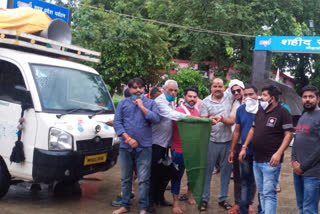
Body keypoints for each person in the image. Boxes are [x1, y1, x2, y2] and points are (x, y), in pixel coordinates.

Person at [239, 85, 293, 214]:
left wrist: (279, 154)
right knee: (262, 192)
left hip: (271, 161)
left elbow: (288, 135)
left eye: (264, 95)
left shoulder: (283, 112)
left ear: (272, 98)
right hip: (257, 159)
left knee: (269, 194)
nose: (260, 98)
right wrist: (244, 146)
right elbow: (253, 129)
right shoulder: (261, 111)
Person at [113, 78, 160, 214]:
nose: (138, 90)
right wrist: (128, 139)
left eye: (140, 87)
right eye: (134, 88)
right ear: (129, 89)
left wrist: (142, 107)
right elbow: (117, 123)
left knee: (144, 179)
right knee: (126, 178)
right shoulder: (122, 104)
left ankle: (143, 208)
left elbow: (156, 119)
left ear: (144, 89)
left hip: (144, 147)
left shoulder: (150, 103)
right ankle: (124, 205)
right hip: (126, 147)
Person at [149, 80, 186, 212]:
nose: (173, 93)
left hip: (166, 143)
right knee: (154, 173)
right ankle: (150, 202)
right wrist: (188, 117)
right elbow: (171, 114)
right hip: (156, 143)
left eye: (175, 90)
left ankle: (160, 198)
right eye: (170, 90)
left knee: (164, 173)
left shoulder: (171, 101)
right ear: (164, 90)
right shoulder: (160, 101)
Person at [199, 78, 236, 211]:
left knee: (226, 172)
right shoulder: (205, 102)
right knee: (207, 172)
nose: (217, 88)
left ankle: (223, 199)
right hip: (211, 141)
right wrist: (210, 121)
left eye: (220, 86)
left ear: (224, 87)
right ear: (211, 87)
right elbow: (202, 120)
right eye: (215, 86)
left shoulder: (229, 97)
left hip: (228, 141)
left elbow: (238, 86)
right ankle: (204, 199)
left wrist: (222, 119)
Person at [229, 85, 259, 214]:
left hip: (259, 151)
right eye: (245, 95)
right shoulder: (241, 109)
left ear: (257, 95)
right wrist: (232, 150)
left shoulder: (263, 109)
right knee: (241, 178)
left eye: (251, 94)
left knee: (254, 179)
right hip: (243, 151)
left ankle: (249, 204)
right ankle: (240, 204)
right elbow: (237, 130)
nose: (248, 97)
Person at [292, 85, 320, 214]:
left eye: (311, 97)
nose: (307, 100)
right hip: (298, 171)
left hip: (313, 172)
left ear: (318, 99)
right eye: (304, 97)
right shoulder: (303, 116)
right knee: (301, 207)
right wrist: (293, 160)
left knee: (309, 209)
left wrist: (303, 166)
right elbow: (296, 140)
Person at [171, 86, 199, 214]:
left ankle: (189, 194)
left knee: (193, 176)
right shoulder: (178, 110)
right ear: (184, 97)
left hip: (193, 151)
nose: (192, 99)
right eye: (190, 96)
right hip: (179, 150)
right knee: (177, 176)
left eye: (194, 97)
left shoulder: (197, 111)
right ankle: (175, 203)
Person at [227, 80, 245, 214]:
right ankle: (238, 203)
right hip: (237, 143)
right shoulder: (234, 104)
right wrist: (221, 118)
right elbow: (232, 121)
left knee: (250, 176)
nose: (236, 93)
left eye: (238, 90)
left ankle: (249, 204)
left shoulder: (252, 104)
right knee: (237, 176)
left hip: (250, 145)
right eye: (233, 91)